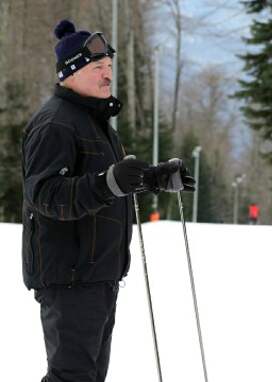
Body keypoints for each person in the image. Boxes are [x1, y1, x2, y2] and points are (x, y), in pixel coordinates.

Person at [21, 20, 194, 382]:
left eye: (109, 68)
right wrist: (108, 182)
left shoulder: (94, 123)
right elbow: (45, 196)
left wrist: (154, 178)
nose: (107, 75)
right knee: (72, 376)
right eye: (97, 68)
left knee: (87, 376)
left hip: (97, 274)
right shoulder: (55, 124)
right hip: (70, 275)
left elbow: (109, 183)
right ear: (70, 73)